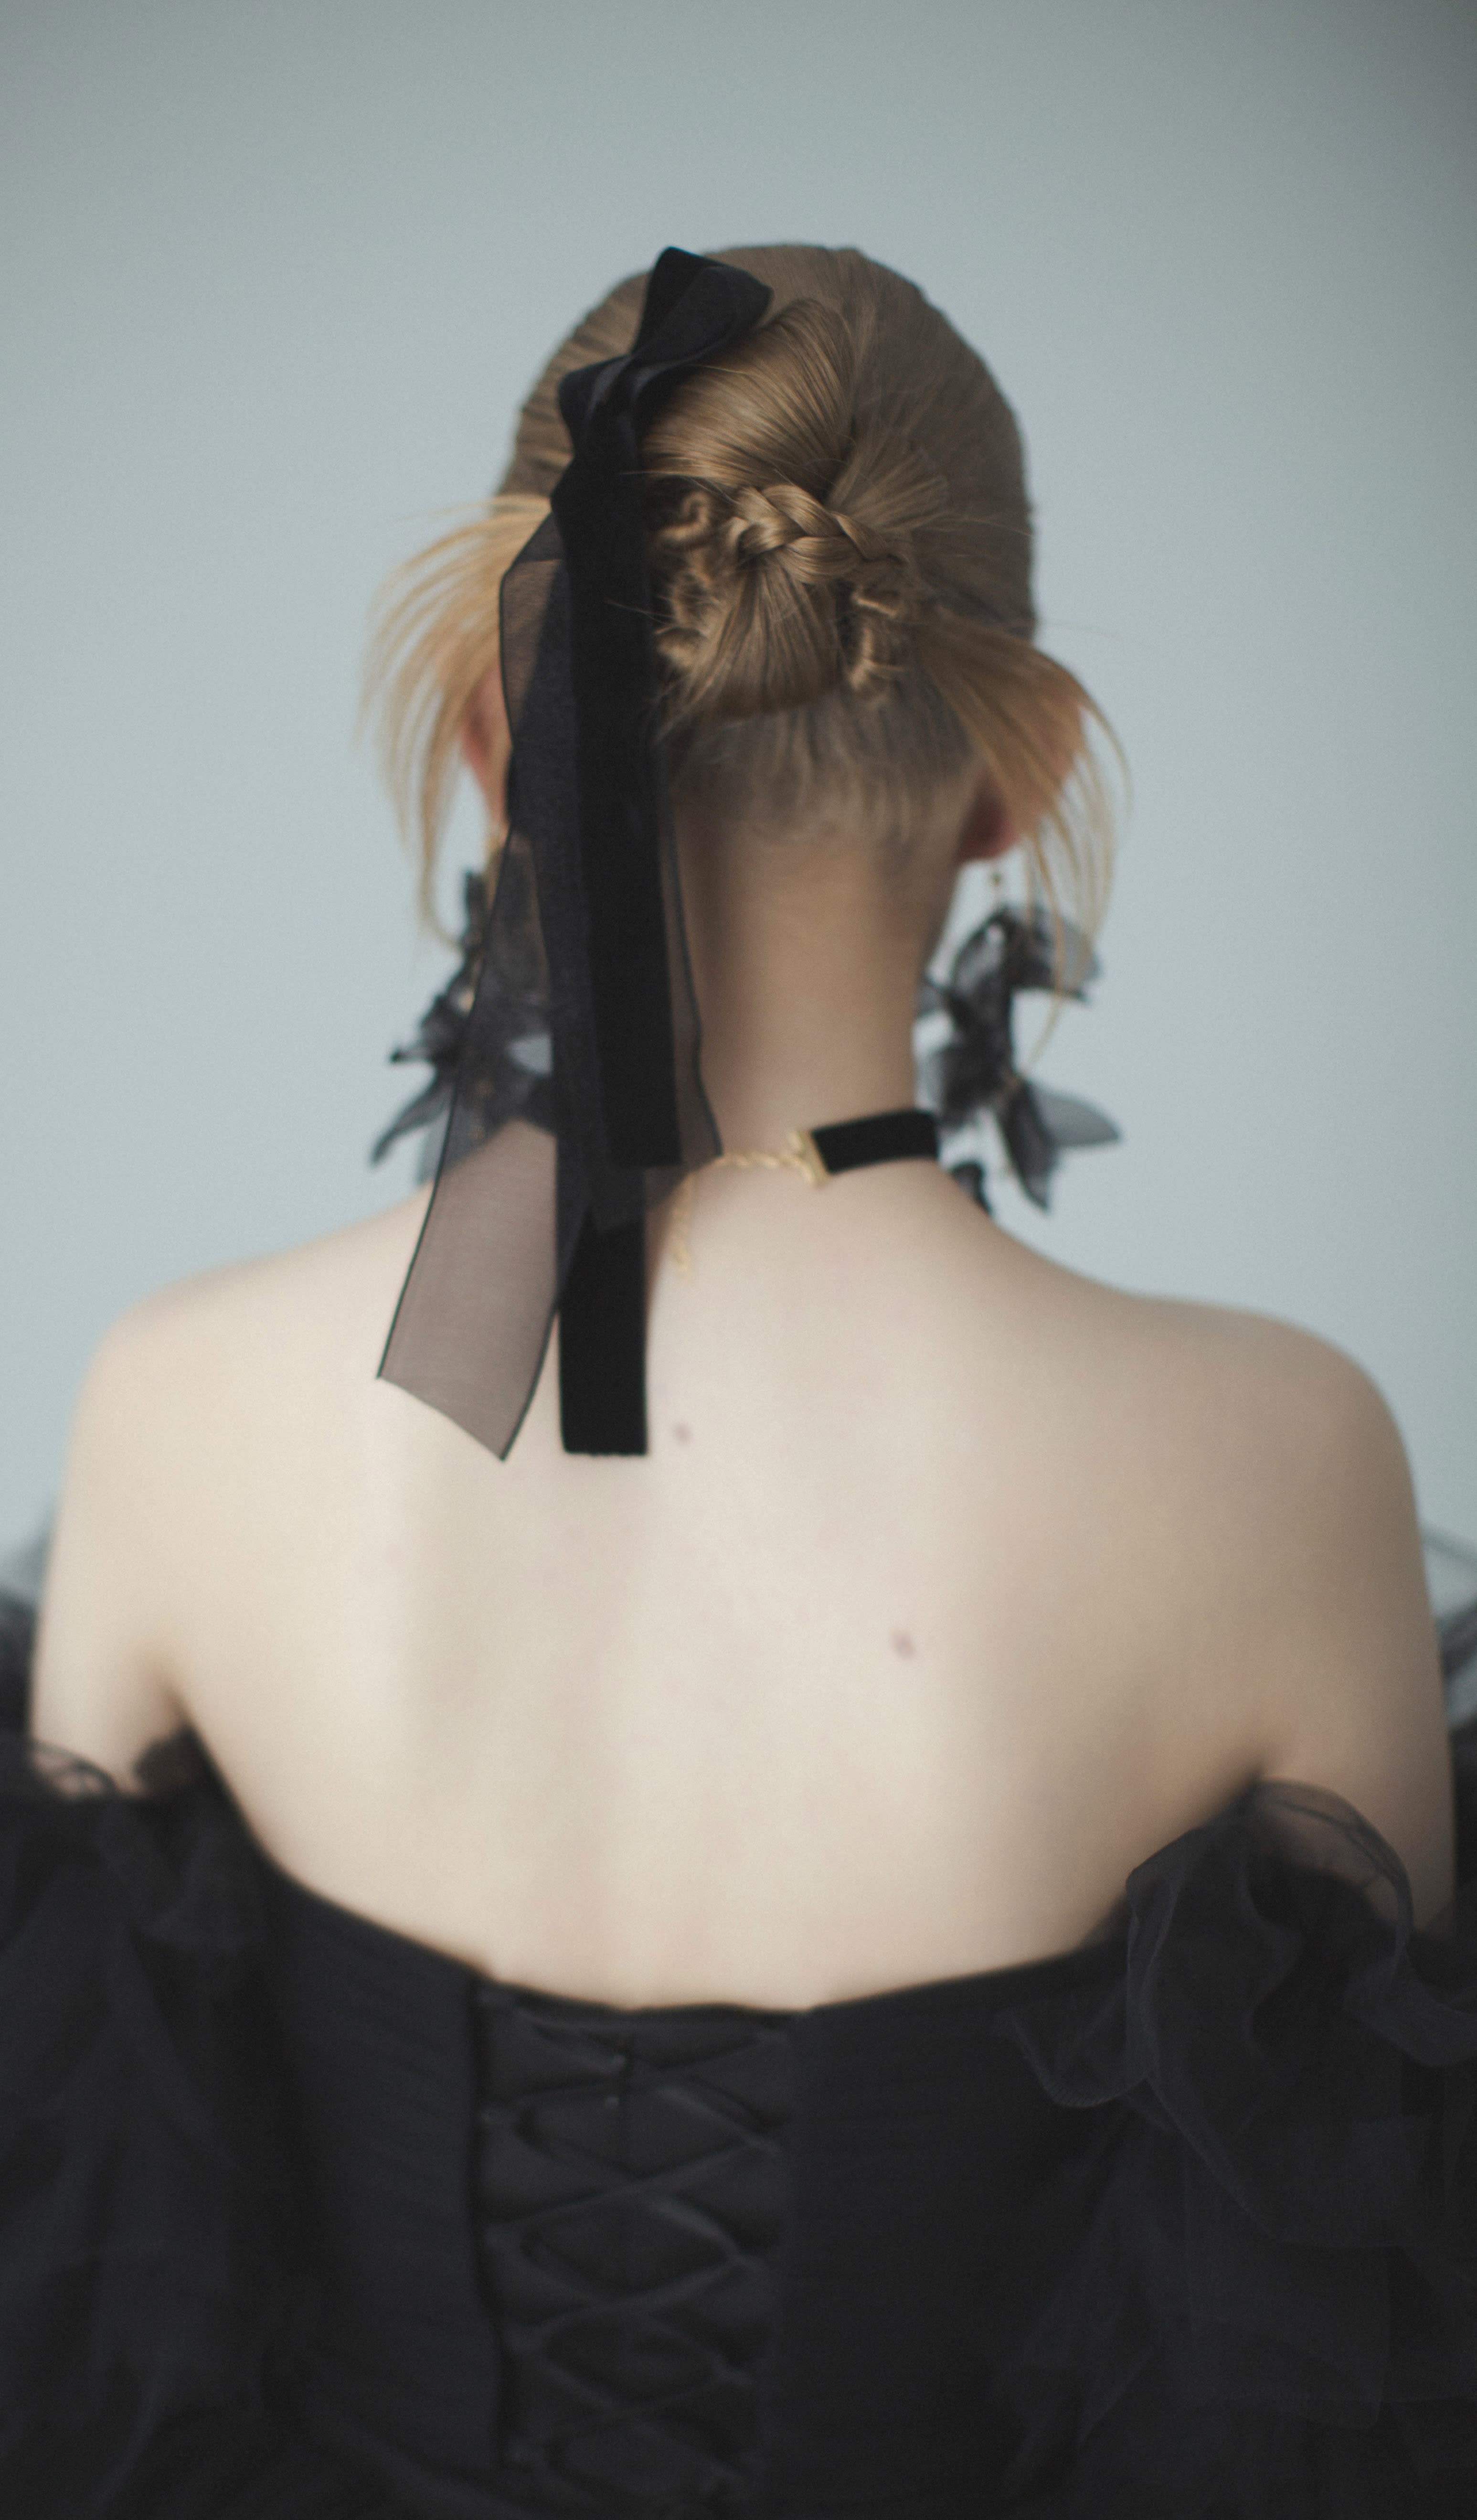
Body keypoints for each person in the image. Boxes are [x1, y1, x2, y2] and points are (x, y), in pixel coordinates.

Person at [2, 242, 1475, 2519]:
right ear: (1018, 773)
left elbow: (87, 2314)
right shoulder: (1282, 1470)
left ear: (494, 728)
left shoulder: (175, 1406)